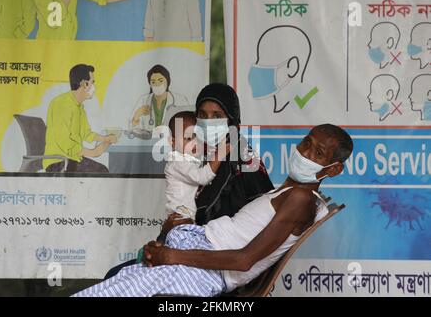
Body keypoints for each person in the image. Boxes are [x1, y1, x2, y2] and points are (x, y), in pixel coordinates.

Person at [73, 124, 353, 297]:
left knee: (116, 282)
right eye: (306, 143)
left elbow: (244, 260)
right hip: (199, 252)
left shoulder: (300, 199)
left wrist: (172, 255)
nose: (304, 154)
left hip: (205, 272)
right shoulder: (287, 192)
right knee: (119, 276)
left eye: (318, 153)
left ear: (334, 169)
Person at [103, 83, 274, 279]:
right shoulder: (197, 155)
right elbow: (184, 213)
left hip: (215, 264)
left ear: (232, 119)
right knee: (116, 274)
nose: (208, 122)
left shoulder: (244, 160)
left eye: (217, 116)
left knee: (116, 277)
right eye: (202, 115)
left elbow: (259, 226)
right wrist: (166, 233)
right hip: (184, 251)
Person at [135, 110, 228, 263]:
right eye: (188, 138)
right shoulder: (178, 162)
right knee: (177, 261)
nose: (194, 143)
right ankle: (145, 260)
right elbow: (203, 177)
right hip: (180, 221)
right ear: (172, 142)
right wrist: (222, 152)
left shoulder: (190, 161)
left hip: (184, 221)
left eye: (198, 137)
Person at [44, 64, 117, 173]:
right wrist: (92, 152)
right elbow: (64, 142)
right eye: (92, 82)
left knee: (102, 170)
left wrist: (104, 139)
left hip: (72, 159)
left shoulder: (79, 107)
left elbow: (86, 134)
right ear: (84, 83)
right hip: (58, 162)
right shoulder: (62, 103)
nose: (94, 87)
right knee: (101, 172)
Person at [130, 64, 190, 132]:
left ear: (168, 81)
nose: (157, 85)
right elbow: (132, 130)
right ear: (150, 84)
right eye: (153, 82)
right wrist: (136, 115)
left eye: (160, 81)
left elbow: (189, 126)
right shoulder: (143, 100)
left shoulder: (180, 100)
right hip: (149, 141)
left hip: (172, 140)